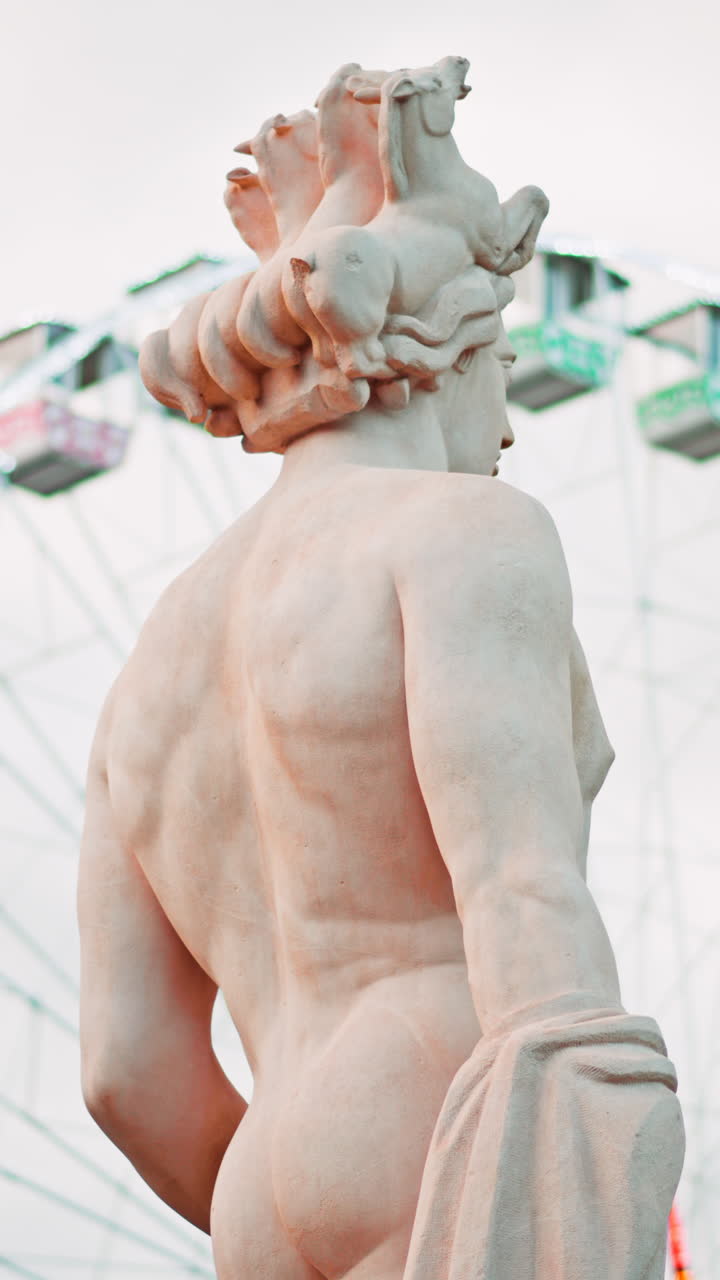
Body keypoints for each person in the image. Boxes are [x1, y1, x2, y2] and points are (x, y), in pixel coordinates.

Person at [78, 60, 683, 1280]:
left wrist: (302, 1173)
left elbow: (124, 1072)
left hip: (256, 1189)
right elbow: (519, 890)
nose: (502, 429)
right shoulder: (463, 533)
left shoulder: (147, 676)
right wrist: (606, 1149)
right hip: (444, 1102)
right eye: (501, 375)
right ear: (447, 345)